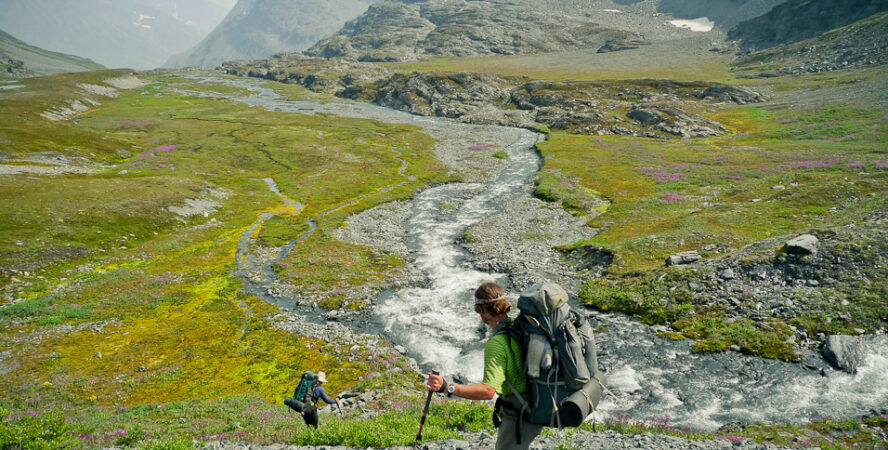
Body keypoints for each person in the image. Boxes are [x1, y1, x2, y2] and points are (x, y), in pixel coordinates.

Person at [426, 281, 543, 450]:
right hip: (536, 403)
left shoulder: (497, 343)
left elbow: (488, 392)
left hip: (520, 413)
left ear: (481, 310)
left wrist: (447, 387)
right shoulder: (518, 326)